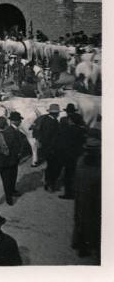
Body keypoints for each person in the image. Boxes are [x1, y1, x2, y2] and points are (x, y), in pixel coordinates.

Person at [72, 132, 101, 260]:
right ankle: (89, 247)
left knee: (80, 220)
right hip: (93, 198)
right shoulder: (98, 167)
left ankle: (79, 244)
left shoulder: (81, 161)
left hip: (80, 196)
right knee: (92, 222)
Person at [57, 111, 86, 200]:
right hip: (78, 155)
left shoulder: (66, 130)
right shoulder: (82, 130)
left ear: (71, 121)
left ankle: (69, 193)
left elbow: (62, 143)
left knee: (68, 175)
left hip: (68, 156)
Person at [33, 104, 61, 189]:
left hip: (45, 147)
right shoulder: (53, 122)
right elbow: (50, 136)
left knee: (49, 166)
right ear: (56, 113)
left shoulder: (44, 118)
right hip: (51, 148)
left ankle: (47, 182)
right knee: (53, 166)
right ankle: (50, 184)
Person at [2, 111, 26, 198]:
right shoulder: (9, 131)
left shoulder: (14, 130)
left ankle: (12, 190)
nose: (20, 122)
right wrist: (17, 153)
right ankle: (10, 193)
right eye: (19, 120)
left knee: (13, 175)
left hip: (14, 158)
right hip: (10, 159)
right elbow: (9, 146)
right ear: (14, 121)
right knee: (10, 176)